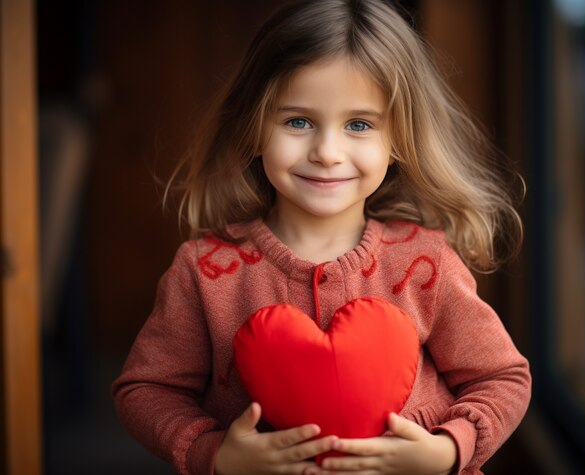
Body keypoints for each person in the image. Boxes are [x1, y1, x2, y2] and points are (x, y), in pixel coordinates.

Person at [111, 1, 531, 474]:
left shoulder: (425, 261)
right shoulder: (204, 269)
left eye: (358, 124)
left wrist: (449, 449)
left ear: (398, 140)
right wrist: (217, 454)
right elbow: (145, 391)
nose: (327, 152)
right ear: (253, 127)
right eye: (298, 121)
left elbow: (503, 377)